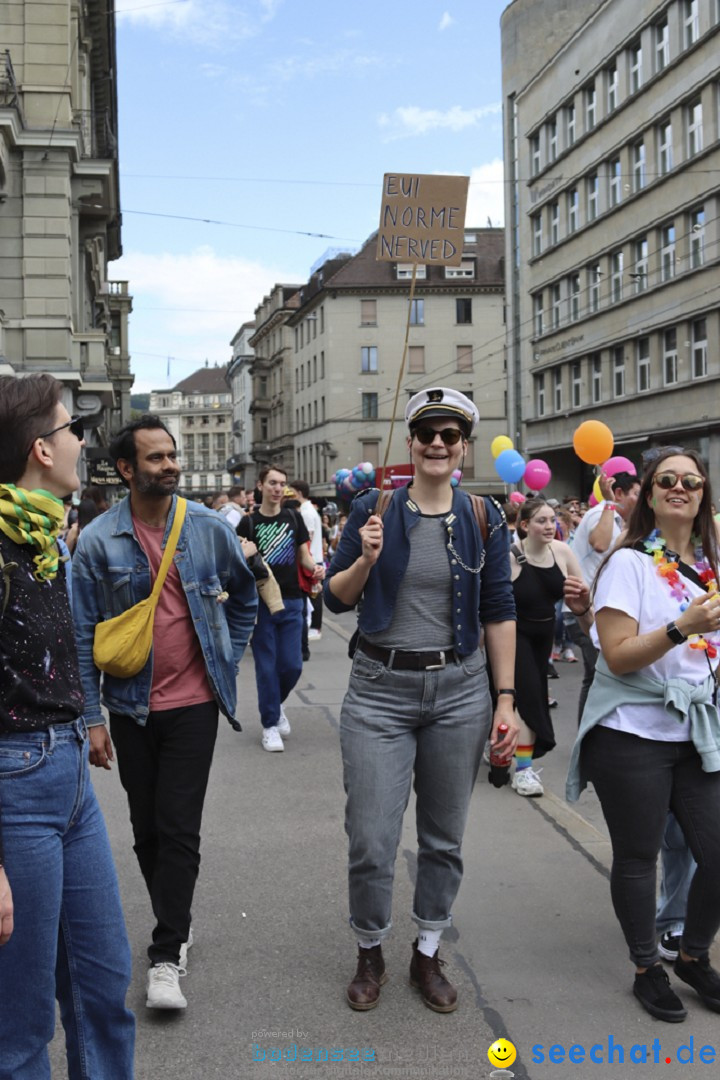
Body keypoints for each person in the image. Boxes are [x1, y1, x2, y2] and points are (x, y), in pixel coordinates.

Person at [325, 387, 518, 1014]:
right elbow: (335, 597)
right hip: (380, 691)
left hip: (459, 693)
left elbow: (498, 610)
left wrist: (505, 699)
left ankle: (428, 949)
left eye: (450, 435)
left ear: (461, 447)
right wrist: (368, 558)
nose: (438, 443)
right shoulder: (371, 508)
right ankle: (371, 948)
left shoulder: (483, 515)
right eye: (427, 433)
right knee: (372, 838)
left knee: (444, 837)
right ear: (410, 443)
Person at [72, 415, 257, 1011]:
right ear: (126, 469)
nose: (170, 465)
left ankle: (165, 953)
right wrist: (93, 719)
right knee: (147, 830)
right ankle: (175, 914)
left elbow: (246, 592)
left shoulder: (206, 527)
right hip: (129, 708)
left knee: (178, 828)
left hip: (195, 705)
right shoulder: (98, 540)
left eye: (172, 455)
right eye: (155, 458)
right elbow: (81, 635)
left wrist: (228, 655)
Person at [0, 373, 135, 1077]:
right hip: (12, 792)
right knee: (20, 1024)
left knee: (103, 988)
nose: (81, 440)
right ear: (39, 449)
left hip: (68, 778)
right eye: (69, 430)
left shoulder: (45, 537)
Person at [567, 448, 720, 1022]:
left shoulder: (710, 569)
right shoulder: (629, 563)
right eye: (667, 480)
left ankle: (692, 954)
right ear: (650, 495)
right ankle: (645, 968)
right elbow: (620, 654)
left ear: (703, 495)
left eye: (691, 481)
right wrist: (685, 626)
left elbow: (709, 658)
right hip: (630, 732)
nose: (679, 487)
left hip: (694, 729)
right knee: (638, 855)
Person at [508, 498, 592, 797]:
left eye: (551, 520)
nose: (549, 526)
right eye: (541, 521)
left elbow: (583, 593)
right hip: (513, 635)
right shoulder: (510, 557)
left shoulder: (562, 551)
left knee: (526, 698)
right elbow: (491, 604)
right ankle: (522, 771)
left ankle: (502, 745)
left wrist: (583, 605)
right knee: (528, 697)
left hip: (544, 636)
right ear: (524, 525)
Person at [238, 463, 324, 752]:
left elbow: (304, 557)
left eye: (282, 484)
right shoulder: (248, 523)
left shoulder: (294, 517)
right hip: (260, 604)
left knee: (292, 665)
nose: (278, 488)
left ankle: (274, 705)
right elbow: (237, 564)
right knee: (265, 667)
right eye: (272, 483)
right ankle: (270, 725)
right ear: (260, 486)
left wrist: (317, 569)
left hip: (292, 601)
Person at [568, 471, 640, 720]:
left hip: (591, 608)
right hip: (583, 609)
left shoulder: (616, 520)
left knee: (594, 676)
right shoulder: (601, 513)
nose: (640, 501)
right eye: (636, 495)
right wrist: (609, 502)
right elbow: (600, 544)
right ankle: (589, 738)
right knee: (600, 676)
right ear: (618, 493)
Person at [291, 478, 324, 643]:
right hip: (313, 557)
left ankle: (315, 627)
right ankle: (314, 627)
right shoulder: (308, 510)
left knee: (314, 594)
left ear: (298, 493)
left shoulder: (306, 512)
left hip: (312, 558)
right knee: (314, 593)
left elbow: (307, 538)